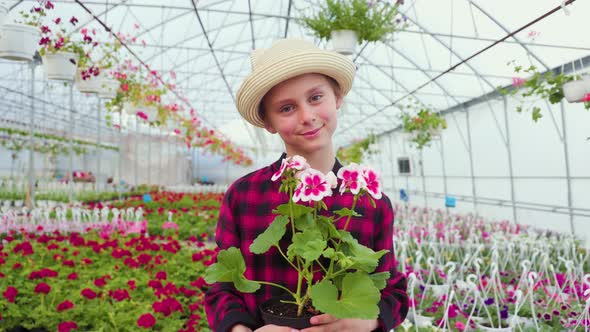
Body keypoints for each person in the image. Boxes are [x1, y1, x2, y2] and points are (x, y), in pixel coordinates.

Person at [205, 39, 408, 332]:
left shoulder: (369, 201)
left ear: (337, 98)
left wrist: (366, 322)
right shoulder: (243, 195)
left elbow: (392, 289)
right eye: (286, 108)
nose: (307, 116)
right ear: (268, 123)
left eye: (315, 98)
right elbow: (221, 289)